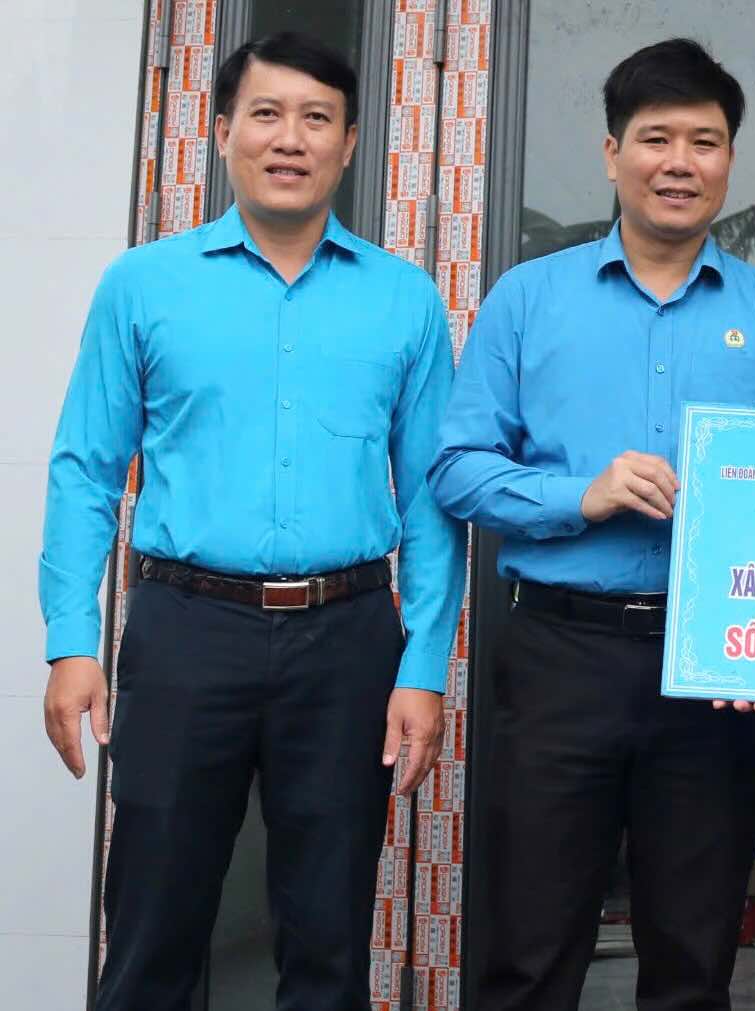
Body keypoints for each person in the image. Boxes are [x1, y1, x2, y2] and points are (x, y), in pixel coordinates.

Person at [38, 31, 465, 1010]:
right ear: (223, 132)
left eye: (316, 119)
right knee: (152, 921)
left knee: (325, 937)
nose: (290, 138)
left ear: (350, 144)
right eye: (267, 115)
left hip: (348, 635)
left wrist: (421, 667)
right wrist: (70, 642)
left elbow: (433, 501)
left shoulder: (404, 301)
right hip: (188, 630)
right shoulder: (142, 285)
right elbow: (84, 470)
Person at [429, 37, 755, 1010]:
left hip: (709, 671)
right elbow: (453, 469)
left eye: (704, 141)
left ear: (729, 161)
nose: (679, 162)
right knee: (530, 949)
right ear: (612, 154)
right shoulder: (529, 299)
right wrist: (583, 495)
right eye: (656, 139)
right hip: (559, 652)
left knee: (692, 960)